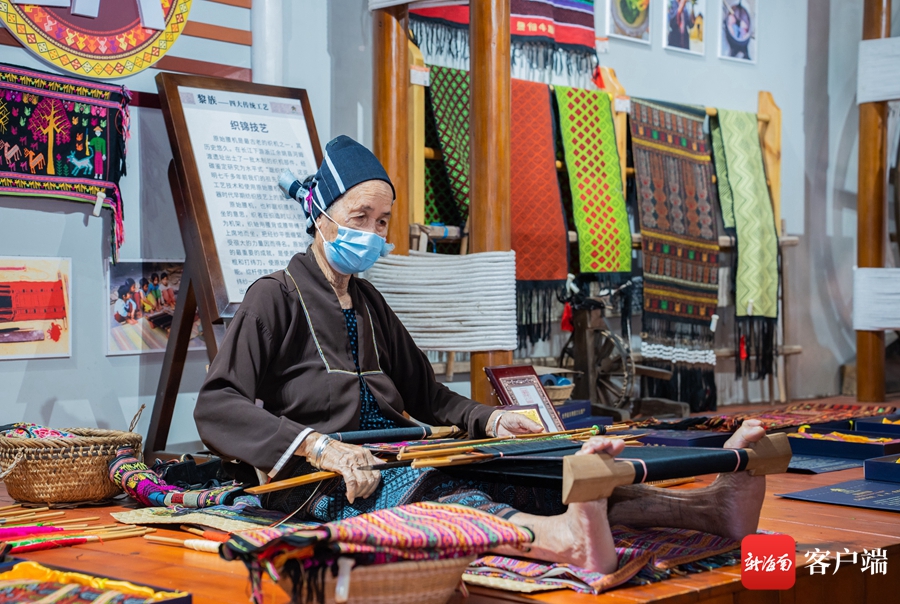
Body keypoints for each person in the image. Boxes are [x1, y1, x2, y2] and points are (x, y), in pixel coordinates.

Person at [195, 136, 768, 574]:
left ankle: (704, 511)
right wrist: (320, 447)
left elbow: (426, 394)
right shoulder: (273, 297)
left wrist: (492, 419)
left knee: (532, 477)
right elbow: (219, 404)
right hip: (327, 483)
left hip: (402, 454)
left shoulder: (368, 301)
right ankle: (559, 542)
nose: (373, 231)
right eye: (359, 218)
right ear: (321, 216)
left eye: (383, 221)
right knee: (449, 496)